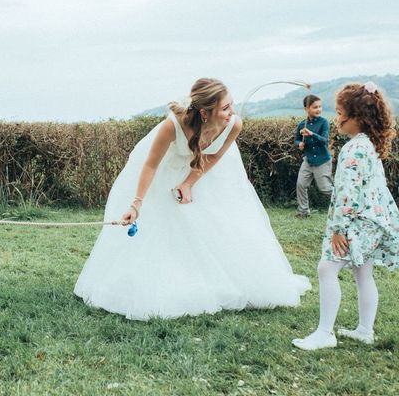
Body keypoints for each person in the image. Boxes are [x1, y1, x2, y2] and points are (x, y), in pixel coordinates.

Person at [74, 78, 310, 320]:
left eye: (232, 105)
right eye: (225, 108)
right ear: (205, 113)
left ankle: (216, 280)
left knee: (215, 226)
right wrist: (136, 204)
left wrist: (188, 183)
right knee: (167, 229)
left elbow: (215, 155)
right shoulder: (172, 126)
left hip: (207, 175)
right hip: (165, 173)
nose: (232, 112)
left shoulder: (233, 124)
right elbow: (151, 165)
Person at [293, 82, 399, 350]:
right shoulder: (369, 145)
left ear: (358, 118)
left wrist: (339, 229)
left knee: (326, 268)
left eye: (341, 113)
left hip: (355, 222)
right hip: (373, 221)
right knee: (363, 272)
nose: (336, 119)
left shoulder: (353, 149)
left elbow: (347, 195)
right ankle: (365, 330)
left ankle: (325, 333)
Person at [294, 94, 333, 218]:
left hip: (322, 160)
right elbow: (296, 140)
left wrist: (311, 134)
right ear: (306, 109)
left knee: (325, 189)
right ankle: (303, 212)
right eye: (315, 107)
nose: (318, 109)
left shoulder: (324, 122)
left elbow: (325, 140)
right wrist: (299, 144)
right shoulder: (302, 124)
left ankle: (345, 204)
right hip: (308, 160)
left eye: (320, 107)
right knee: (301, 185)